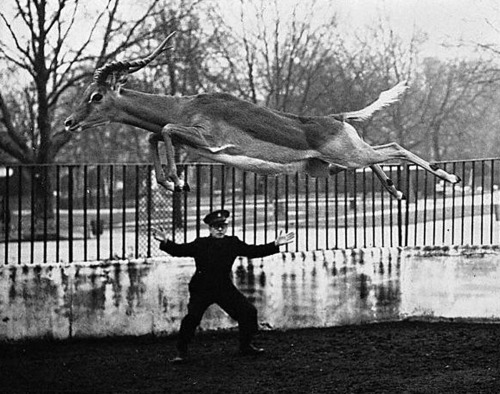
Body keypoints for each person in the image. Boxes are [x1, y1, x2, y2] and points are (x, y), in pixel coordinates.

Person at [153, 209, 294, 363]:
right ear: (210, 228)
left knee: (247, 311)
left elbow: (253, 251)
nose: (220, 230)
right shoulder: (201, 243)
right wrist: (165, 242)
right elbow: (179, 250)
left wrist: (275, 244)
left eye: (223, 226)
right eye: (216, 227)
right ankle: (181, 352)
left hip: (223, 287)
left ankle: (245, 346)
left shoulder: (232, 243)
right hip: (202, 288)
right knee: (192, 318)